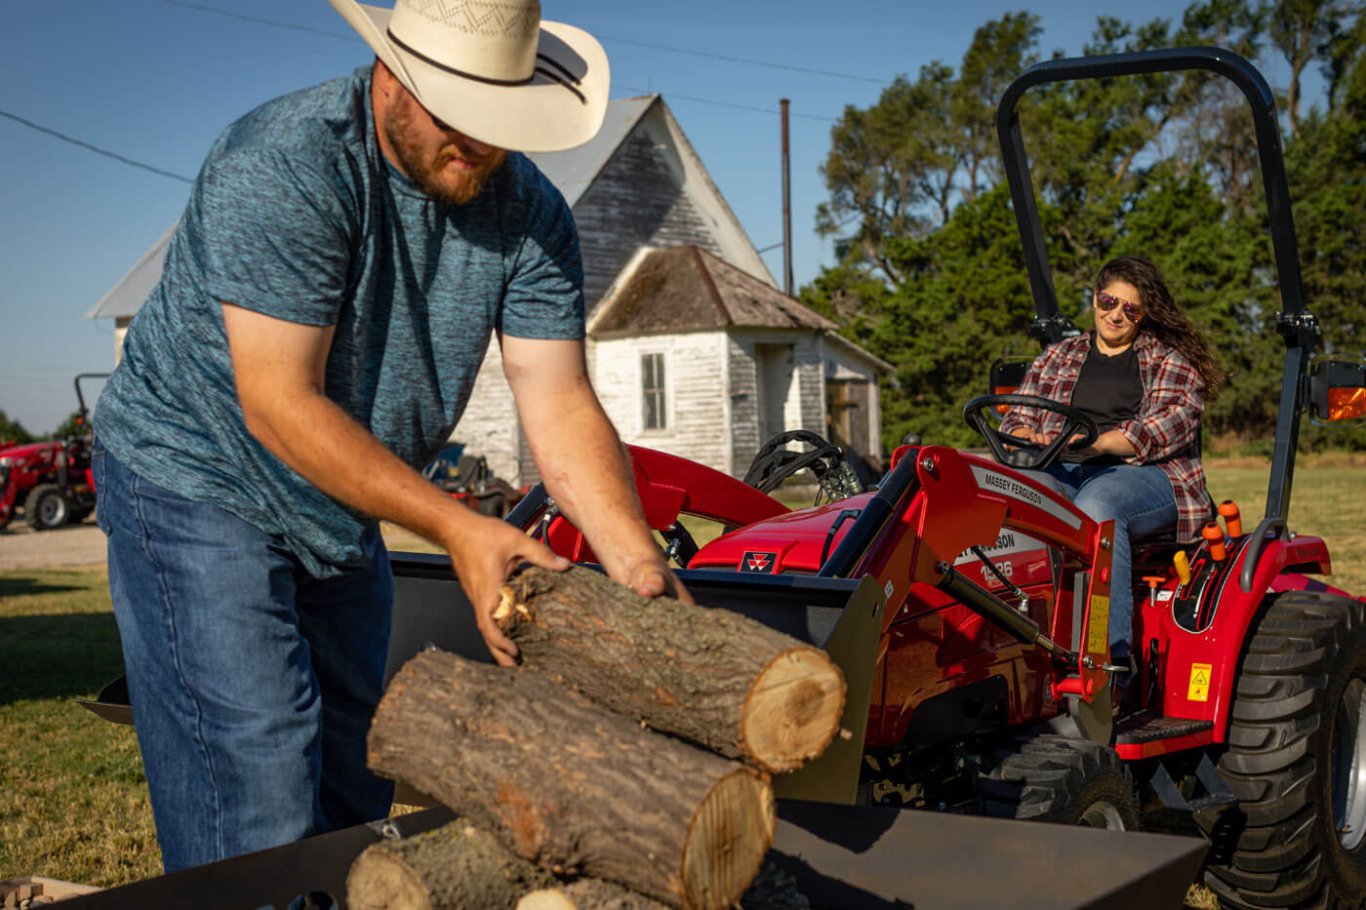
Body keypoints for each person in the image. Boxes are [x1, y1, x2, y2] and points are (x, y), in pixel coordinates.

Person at [92, 0, 686, 872]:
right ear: (391, 75)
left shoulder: (531, 215)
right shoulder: (286, 163)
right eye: (460, 114)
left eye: (501, 117)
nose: (481, 142)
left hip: (337, 494)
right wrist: (457, 526)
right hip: (198, 476)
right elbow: (278, 403)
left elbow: (556, 399)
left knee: (356, 777)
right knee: (258, 772)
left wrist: (636, 564)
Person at [1000, 256, 1224, 668]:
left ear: (1143, 316)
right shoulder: (1058, 356)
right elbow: (1018, 416)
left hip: (1150, 475)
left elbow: (1166, 428)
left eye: (1130, 308)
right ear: (1094, 300)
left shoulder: (1168, 360)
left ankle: (1111, 661)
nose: (1116, 315)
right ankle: (1021, 640)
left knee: (1098, 507)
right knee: (1014, 497)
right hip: (1063, 467)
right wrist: (1023, 436)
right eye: (1108, 302)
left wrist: (1100, 443)